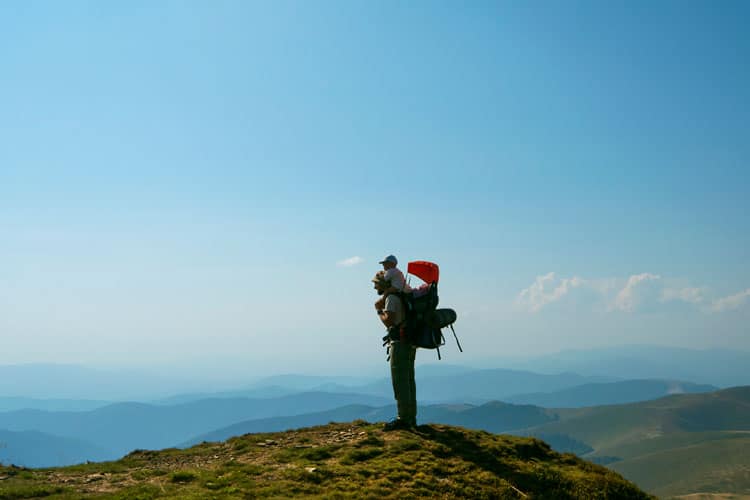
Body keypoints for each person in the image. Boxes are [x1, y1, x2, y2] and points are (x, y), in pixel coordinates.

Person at [372, 271, 417, 430]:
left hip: (399, 343)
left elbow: (389, 322)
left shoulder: (391, 299)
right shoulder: (401, 296)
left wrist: (379, 310)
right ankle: (410, 417)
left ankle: (403, 419)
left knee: (400, 381)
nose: (374, 286)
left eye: (377, 283)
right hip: (409, 342)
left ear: (385, 284)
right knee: (409, 379)